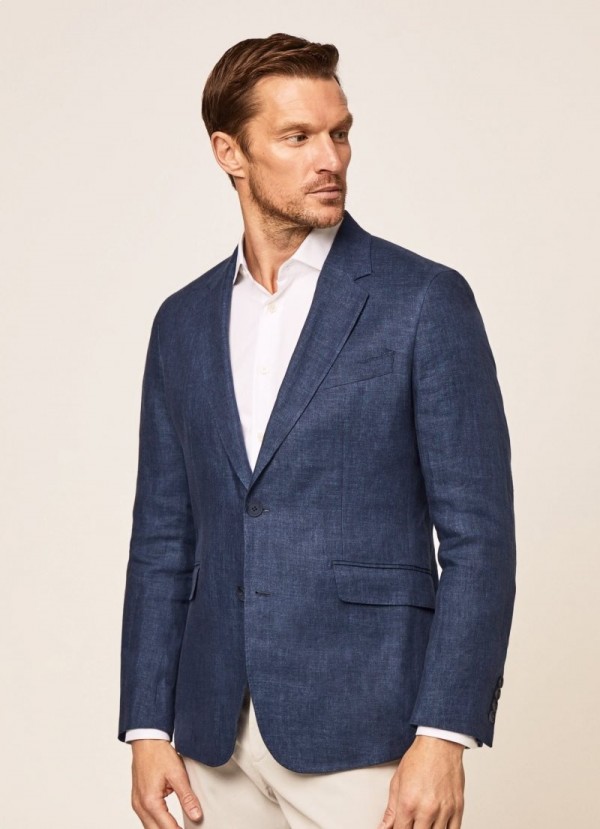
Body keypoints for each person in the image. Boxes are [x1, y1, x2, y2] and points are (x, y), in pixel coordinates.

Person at [118, 32, 516, 829]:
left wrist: (444, 732)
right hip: (212, 738)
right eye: (297, 137)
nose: (329, 158)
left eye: (339, 133)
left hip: (369, 731)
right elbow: (163, 536)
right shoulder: (182, 322)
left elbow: (479, 537)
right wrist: (148, 726)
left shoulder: (422, 300)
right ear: (230, 152)